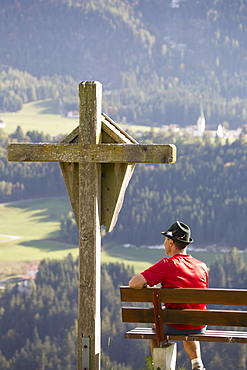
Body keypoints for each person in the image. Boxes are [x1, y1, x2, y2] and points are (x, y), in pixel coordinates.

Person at [129, 221, 208, 370]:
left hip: (174, 325)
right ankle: (197, 364)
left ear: (171, 242)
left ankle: (160, 367)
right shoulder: (202, 266)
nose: (164, 243)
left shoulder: (167, 264)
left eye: (165, 240)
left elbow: (133, 283)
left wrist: (145, 284)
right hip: (199, 325)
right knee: (189, 315)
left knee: (156, 325)